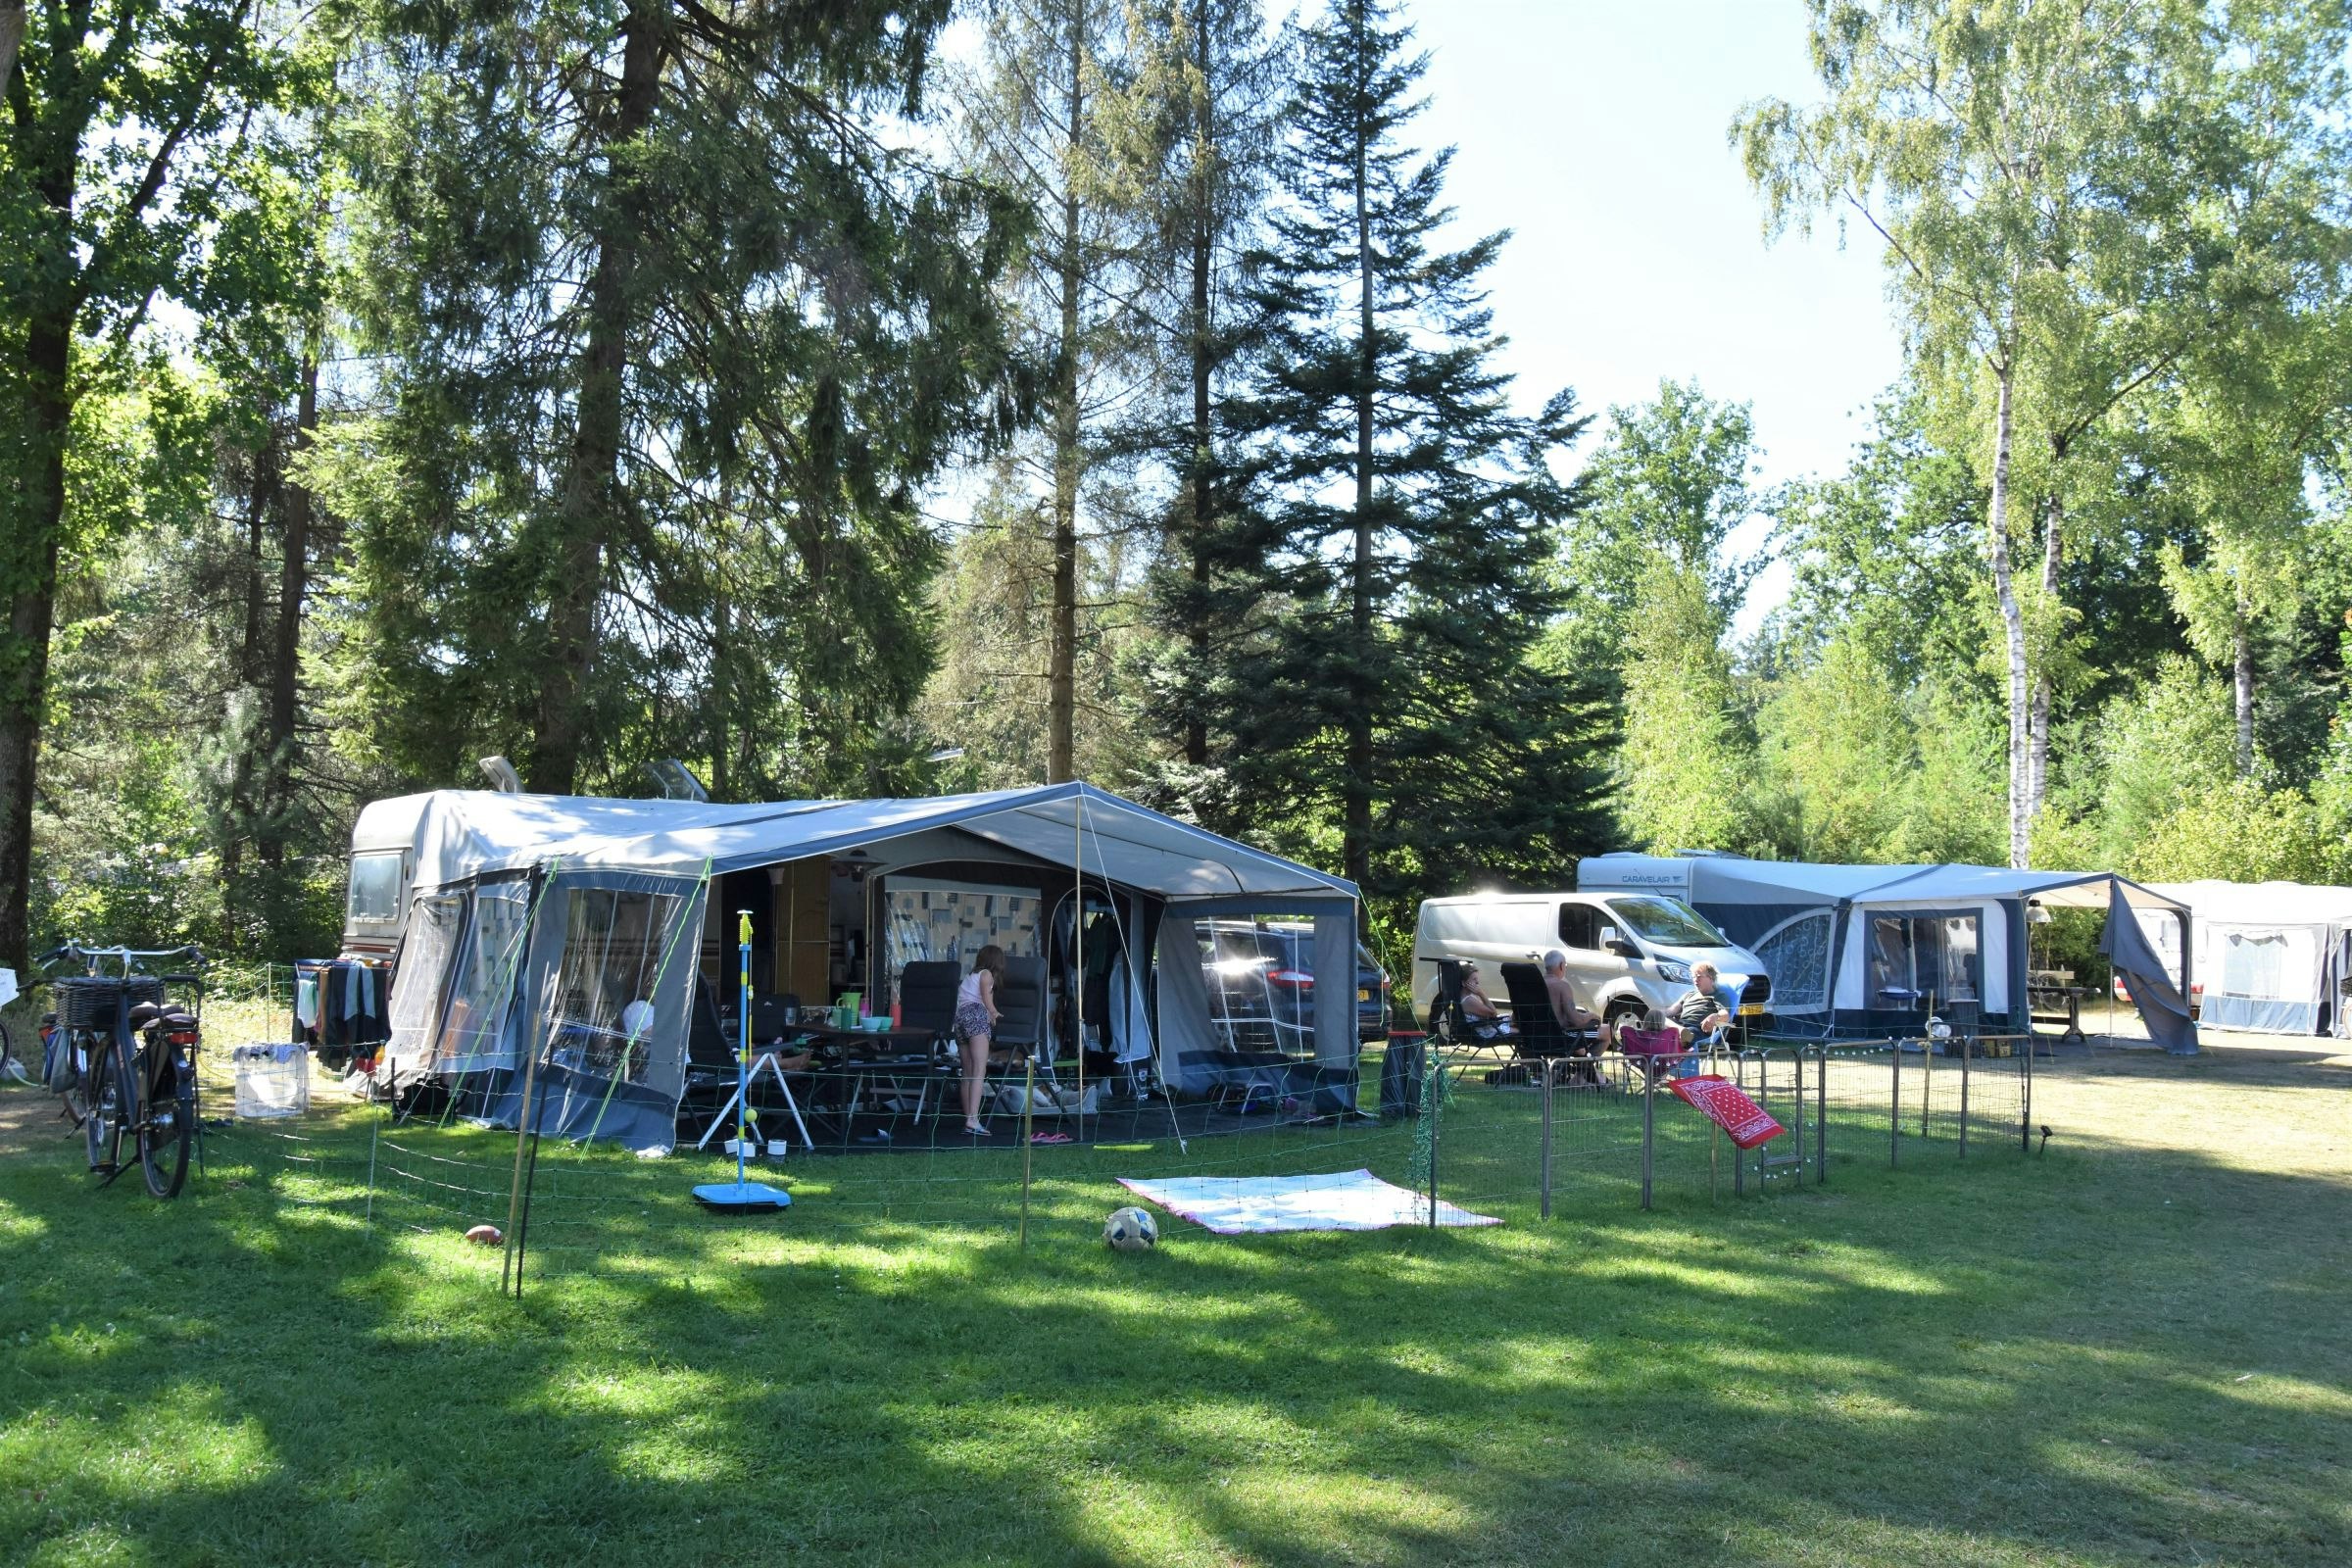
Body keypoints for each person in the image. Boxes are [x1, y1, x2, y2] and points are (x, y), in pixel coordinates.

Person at [954, 945, 1006, 1134]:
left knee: (967, 1073)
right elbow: (985, 999)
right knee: (979, 1070)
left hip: (960, 1019)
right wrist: (993, 1012)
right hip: (976, 1016)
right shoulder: (987, 975)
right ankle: (973, 1119)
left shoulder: (970, 975)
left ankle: (968, 1118)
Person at [1541, 951, 1614, 1049]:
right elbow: (1576, 1021)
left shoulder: (1534, 985)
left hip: (1533, 1038)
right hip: (1560, 1037)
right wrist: (1591, 1015)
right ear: (1562, 966)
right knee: (1608, 1031)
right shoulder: (1562, 986)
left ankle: (1576, 1060)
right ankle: (1585, 1063)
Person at [1667, 961, 1736, 1046]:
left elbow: (1725, 1015)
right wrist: (1655, 1014)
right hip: (1679, 1025)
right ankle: (1680, 1031)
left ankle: (1681, 1034)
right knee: (1656, 1016)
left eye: (1699, 976)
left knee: (1689, 1032)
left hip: (1698, 1029)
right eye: (1693, 977)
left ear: (1711, 978)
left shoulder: (1719, 995)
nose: (1695, 979)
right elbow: (1672, 1010)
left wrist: (1715, 1016)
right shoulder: (1689, 994)